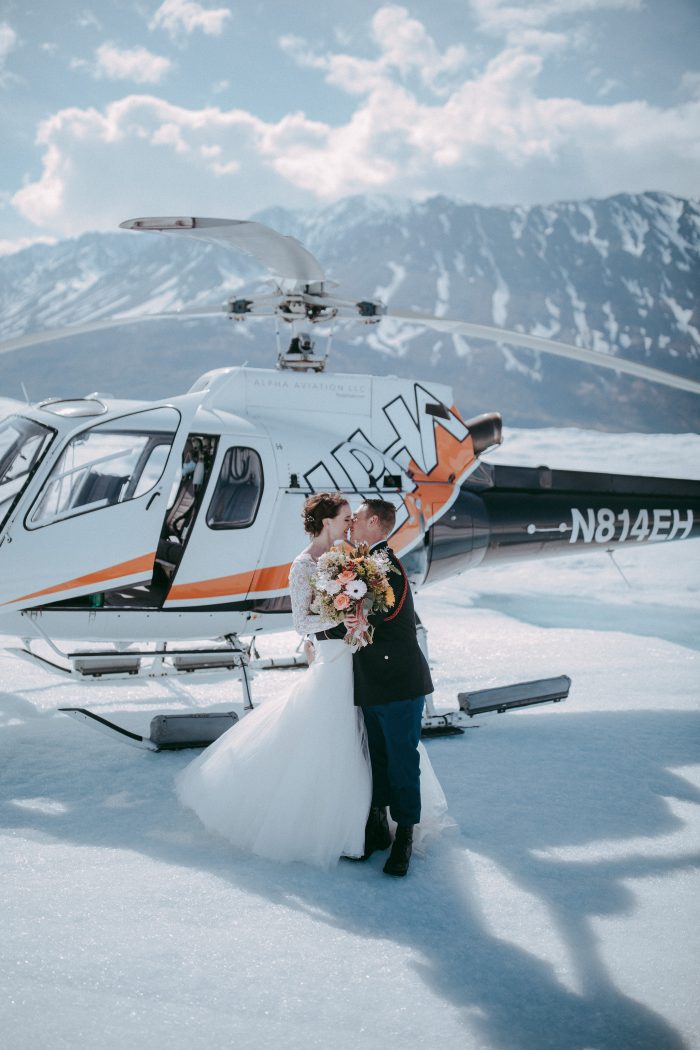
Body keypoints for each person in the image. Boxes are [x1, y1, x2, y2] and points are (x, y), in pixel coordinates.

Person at [176, 493, 372, 868]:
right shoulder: (303, 565)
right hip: (333, 660)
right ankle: (340, 831)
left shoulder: (350, 557)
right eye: (346, 518)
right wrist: (341, 619)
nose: (351, 524)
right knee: (334, 743)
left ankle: (369, 823)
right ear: (327, 521)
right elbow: (301, 622)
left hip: (355, 655)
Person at [351, 498, 435, 877]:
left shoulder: (388, 565)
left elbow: (382, 615)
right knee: (380, 758)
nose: (351, 522)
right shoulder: (365, 563)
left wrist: (338, 618)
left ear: (373, 522)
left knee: (403, 761)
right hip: (373, 680)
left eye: (356, 517)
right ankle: (379, 826)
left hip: (400, 683)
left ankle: (404, 835)